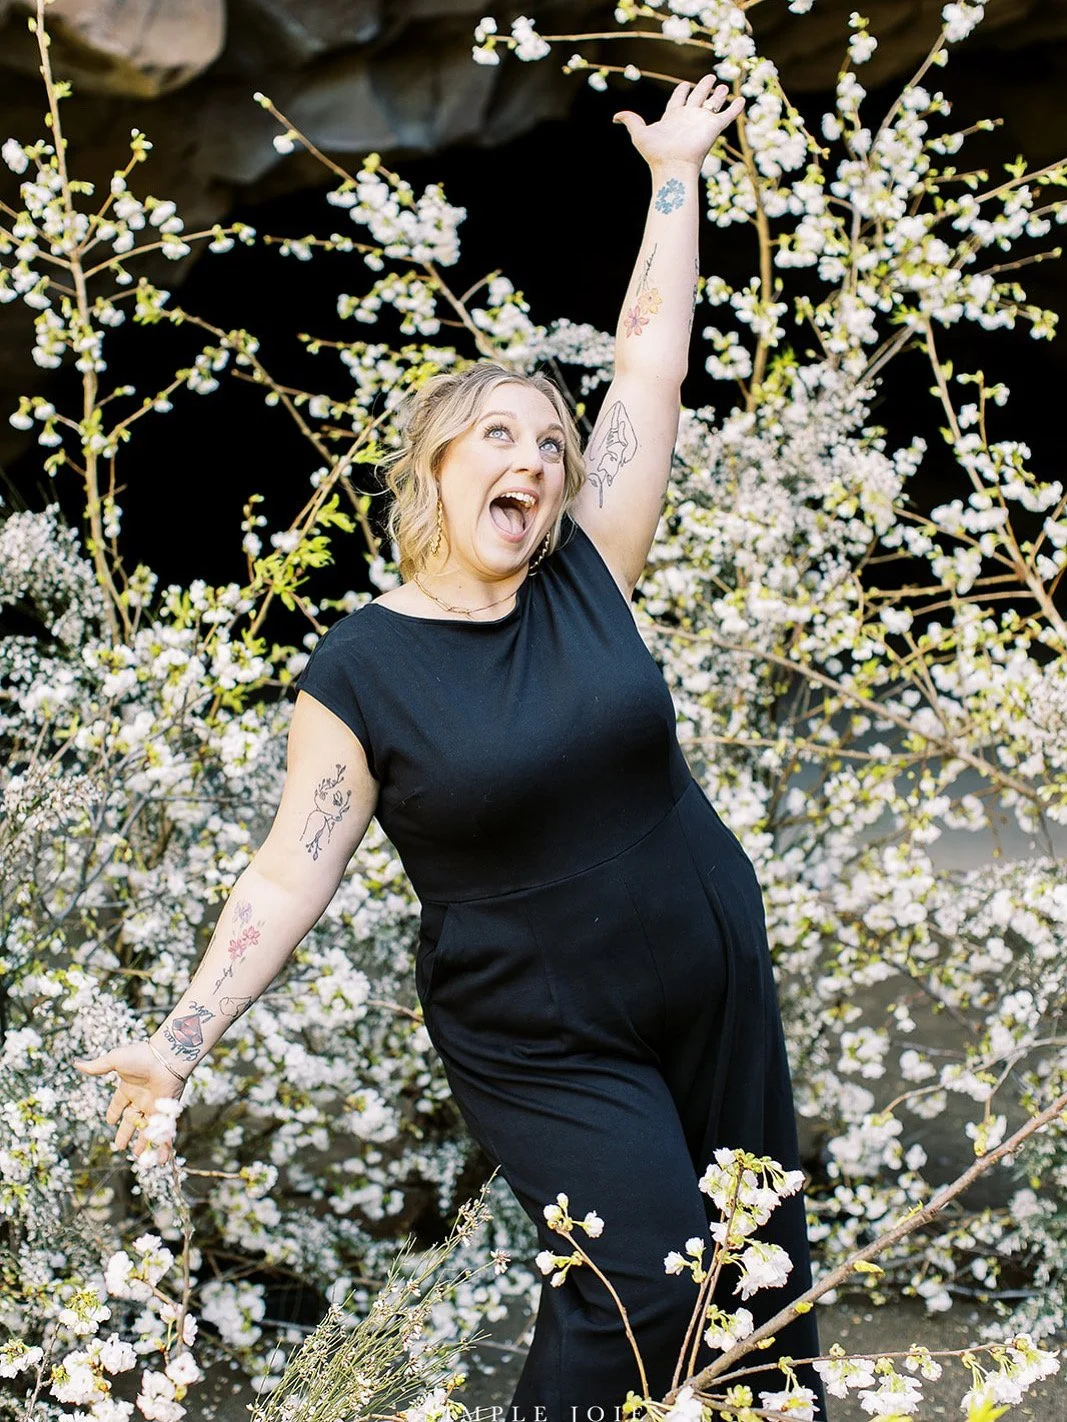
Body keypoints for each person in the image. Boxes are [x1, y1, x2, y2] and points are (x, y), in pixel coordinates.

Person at [76, 75, 828, 1422]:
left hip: (704, 957)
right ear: (431, 467)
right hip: (539, 1023)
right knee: (641, 1276)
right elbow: (284, 872)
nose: (536, 460)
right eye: (500, 437)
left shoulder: (588, 572)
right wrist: (181, 1041)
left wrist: (673, 175)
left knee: (752, 1279)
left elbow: (647, 360)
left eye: (550, 443)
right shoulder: (362, 669)